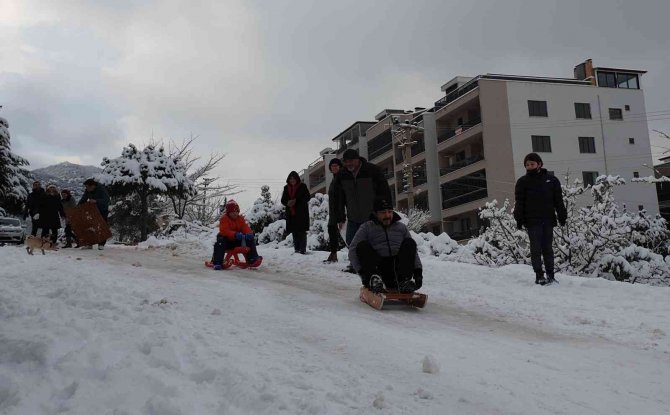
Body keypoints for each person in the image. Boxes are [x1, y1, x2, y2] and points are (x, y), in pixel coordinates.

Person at [334, 148, 392, 272]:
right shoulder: (342, 175)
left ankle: (374, 264)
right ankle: (355, 264)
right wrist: (340, 216)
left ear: (357, 160)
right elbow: (339, 197)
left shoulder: (372, 170)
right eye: (346, 162)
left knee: (372, 241)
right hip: (353, 215)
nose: (348, 164)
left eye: (351, 161)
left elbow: (384, 191)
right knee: (351, 240)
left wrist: (386, 210)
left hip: (371, 215)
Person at [348, 197, 423, 294]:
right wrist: (362, 273)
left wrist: (418, 273)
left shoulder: (401, 227)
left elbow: (413, 252)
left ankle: (404, 282)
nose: (387, 215)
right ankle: (375, 281)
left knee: (409, 243)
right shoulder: (367, 227)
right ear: (376, 213)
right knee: (362, 246)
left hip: (398, 271)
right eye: (383, 212)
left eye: (390, 212)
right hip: (379, 270)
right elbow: (352, 251)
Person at [514, 153, 567, 285]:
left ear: (539, 164)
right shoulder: (522, 182)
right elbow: (519, 202)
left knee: (548, 248)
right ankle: (539, 274)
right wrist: (519, 219)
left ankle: (550, 274)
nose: (529, 166)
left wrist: (562, 216)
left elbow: (558, 201)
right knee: (535, 248)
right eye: (527, 165)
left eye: (532, 164)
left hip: (548, 219)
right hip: (532, 221)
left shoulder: (551, 180)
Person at [211, 199, 262, 270]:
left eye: (236, 211)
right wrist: (235, 234)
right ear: (228, 212)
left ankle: (252, 259)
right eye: (232, 212)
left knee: (250, 240)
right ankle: (217, 262)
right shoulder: (224, 219)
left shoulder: (240, 219)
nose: (235, 213)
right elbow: (224, 230)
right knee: (220, 242)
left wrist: (249, 234)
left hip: (236, 241)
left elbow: (245, 228)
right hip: (226, 241)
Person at [281, 171, 310, 254]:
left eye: (294, 178)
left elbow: (307, 197)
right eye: (290, 179)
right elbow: (283, 200)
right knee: (294, 231)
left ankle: (302, 250)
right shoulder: (286, 188)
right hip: (291, 213)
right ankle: (296, 249)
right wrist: (288, 202)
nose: (292, 180)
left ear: (297, 179)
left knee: (301, 231)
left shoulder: (302, 186)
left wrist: (296, 201)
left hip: (301, 213)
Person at [78, 178, 111, 250]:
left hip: (102, 210)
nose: (86, 188)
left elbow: (107, 199)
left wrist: (96, 201)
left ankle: (101, 244)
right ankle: (89, 243)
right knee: (89, 226)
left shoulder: (101, 189)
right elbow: (83, 199)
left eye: (87, 187)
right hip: (92, 210)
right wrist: (77, 207)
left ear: (92, 186)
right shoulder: (88, 190)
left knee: (101, 226)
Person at [324, 158, 344, 263]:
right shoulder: (334, 178)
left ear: (340, 166)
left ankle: (352, 259)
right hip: (333, 211)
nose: (334, 167)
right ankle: (333, 254)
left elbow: (341, 198)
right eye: (332, 166)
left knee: (346, 235)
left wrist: (341, 217)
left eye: (336, 165)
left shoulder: (341, 179)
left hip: (340, 211)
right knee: (332, 230)